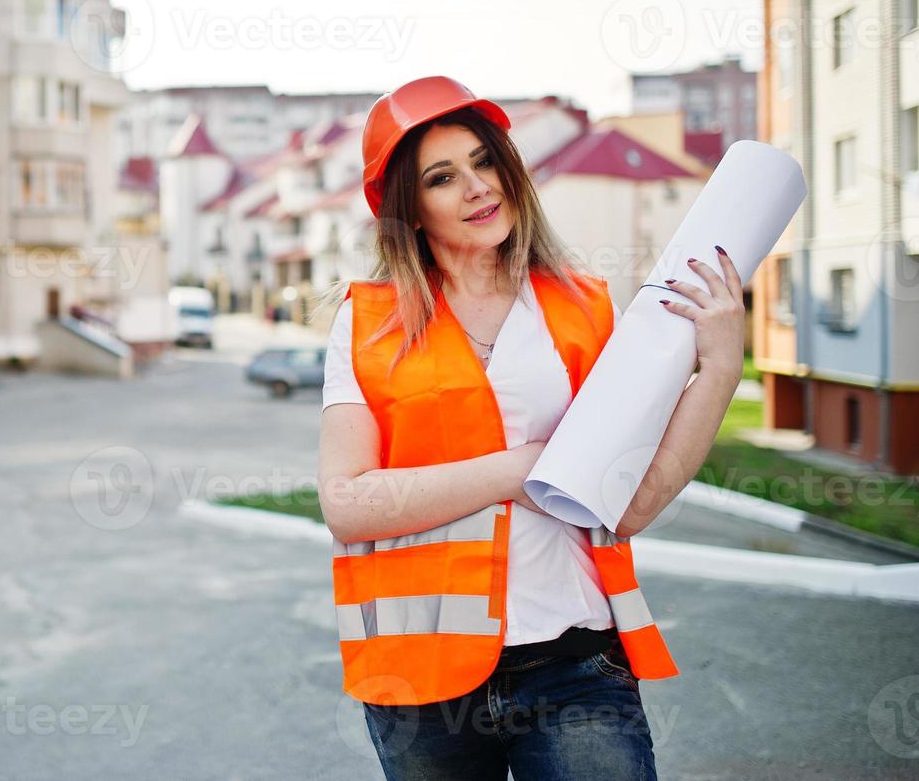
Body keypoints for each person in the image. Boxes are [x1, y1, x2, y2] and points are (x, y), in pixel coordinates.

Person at [315, 77, 747, 780]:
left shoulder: (583, 308)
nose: (477, 187)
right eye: (442, 177)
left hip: (573, 664)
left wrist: (720, 364)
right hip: (418, 675)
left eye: (484, 161)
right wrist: (524, 470)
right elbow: (346, 504)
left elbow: (629, 502)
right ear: (408, 207)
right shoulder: (366, 323)